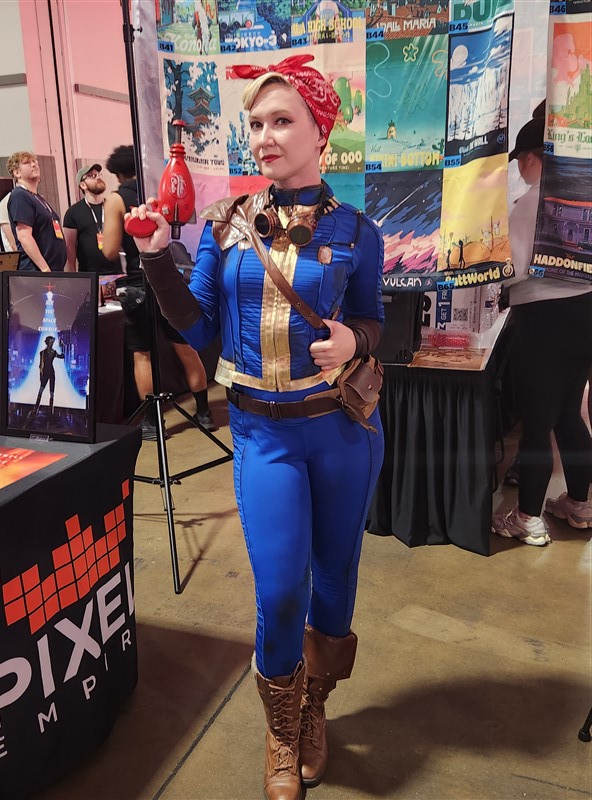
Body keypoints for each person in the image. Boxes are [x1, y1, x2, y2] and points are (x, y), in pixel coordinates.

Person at [127, 54, 385, 800]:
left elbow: (376, 320)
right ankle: (280, 727)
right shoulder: (226, 225)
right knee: (278, 590)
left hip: (341, 432)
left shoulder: (358, 230)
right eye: (256, 124)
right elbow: (198, 325)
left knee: (335, 580)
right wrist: (156, 260)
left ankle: (314, 710)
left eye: (282, 121)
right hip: (263, 437)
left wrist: (355, 339)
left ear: (320, 132)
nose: (264, 136)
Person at [492, 116, 592, 545]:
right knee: (568, 414)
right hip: (584, 313)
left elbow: (511, 269)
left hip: (543, 321)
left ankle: (527, 517)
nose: (519, 169)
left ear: (536, 158)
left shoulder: (531, 203)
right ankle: (579, 503)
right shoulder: (582, 195)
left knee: (537, 422)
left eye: (521, 160)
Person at [102, 145, 216, 438]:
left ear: (117, 174)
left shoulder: (117, 199)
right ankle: (204, 413)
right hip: (169, 277)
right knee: (186, 348)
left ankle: (154, 423)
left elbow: (110, 250)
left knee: (143, 355)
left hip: (137, 284)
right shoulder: (160, 192)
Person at [6, 152, 67, 272]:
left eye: (35, 161)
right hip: (37, 272)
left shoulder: (36, 197)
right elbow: (24, 235)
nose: (34, 164)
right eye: (27, 163)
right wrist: (44, 268)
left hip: (52, 271)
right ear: (17, 172)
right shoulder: (20, 196)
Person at [63, 164, 120, 274]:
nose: (98, 177)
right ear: (83, 185)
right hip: (90, 276)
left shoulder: (113, 207)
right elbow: (70, 247)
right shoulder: (73, 213)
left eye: (99, 174)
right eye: (92, 176)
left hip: (117, 275)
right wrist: (72, 274)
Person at [31, 336, 65, 416]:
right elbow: (40, 365)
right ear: (47, 343)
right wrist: (41, 375)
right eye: (50, 342)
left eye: (52, 342)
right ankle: (36, 408)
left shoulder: (53, 352)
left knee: (51, 392)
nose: (51, 344)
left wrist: (62, 347)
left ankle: (50, 410)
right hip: (45, 373)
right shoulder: (42, 353)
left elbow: (62, 356)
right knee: (41, 390)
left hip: (51, 373)